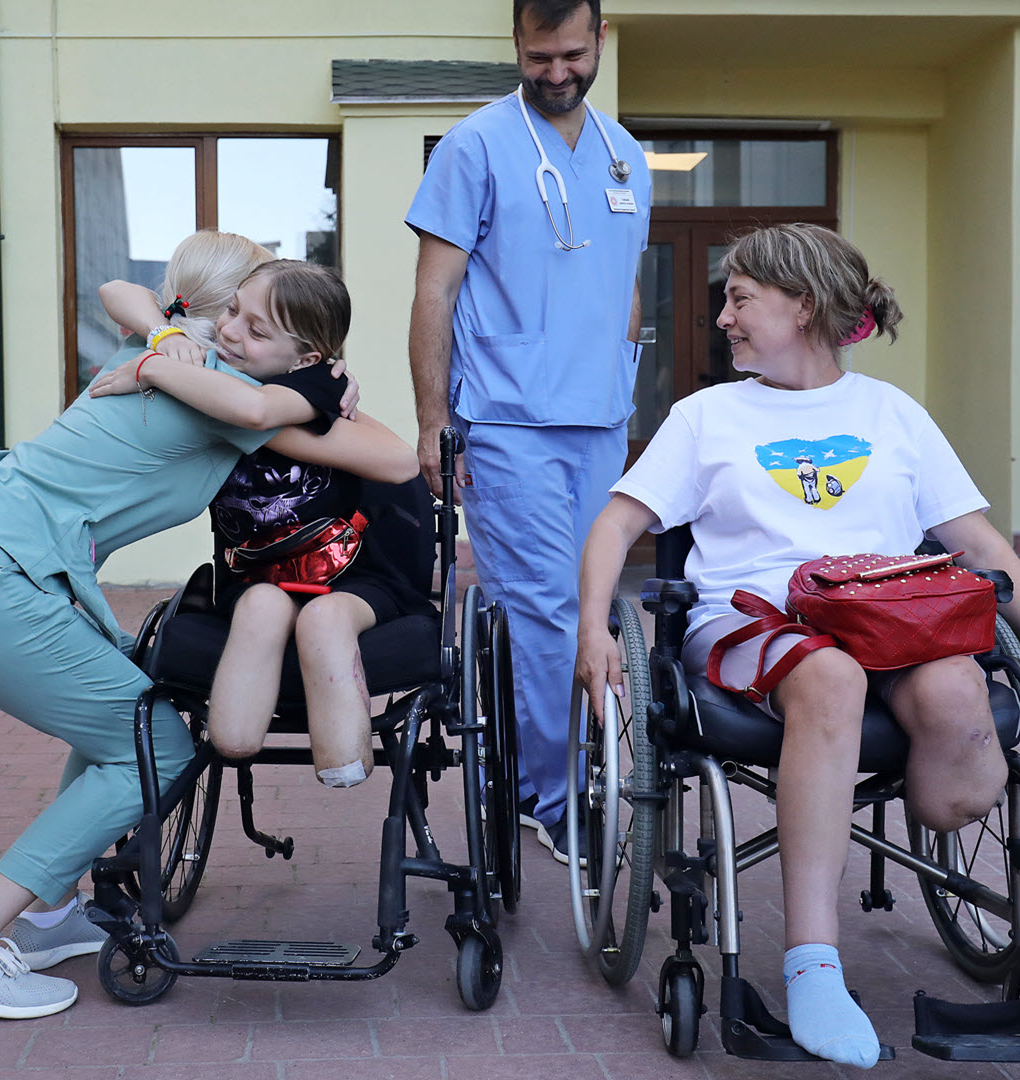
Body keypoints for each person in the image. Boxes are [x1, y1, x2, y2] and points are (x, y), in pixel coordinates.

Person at [574, 223, 1020, 1069]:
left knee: (958, 692)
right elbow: (617, 523)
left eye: (739, 299)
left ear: (801, 305)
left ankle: (938, 831)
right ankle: (813, 967)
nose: (725, 318)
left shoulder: (892, 413)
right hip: (753, 623)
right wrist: (595, 627)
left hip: (891, 617)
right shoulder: (707, 416)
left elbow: (984, 546)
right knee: (831, 677)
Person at [0, 231, 407, 1020]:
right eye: (241, 316)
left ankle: (50, 919)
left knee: (121, 703)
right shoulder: (219, 386)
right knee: (155, 743)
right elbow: (387, 459)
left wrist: (168, 341)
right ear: (220, 314)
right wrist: (323, 381)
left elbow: (123, 291)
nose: (237, 334)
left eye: (260, 326)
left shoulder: (176, 351)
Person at [405, 0, 650, 862]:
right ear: (514, 44)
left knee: (595, 609)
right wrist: (436, 422)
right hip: (507, 422)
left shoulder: (627, 154)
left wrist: (624, 376)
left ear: (601, 41)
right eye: (539, 55)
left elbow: (625, 287)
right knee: (546, 609)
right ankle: (551, 797)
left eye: (573, 54)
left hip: (600, 422)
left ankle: (576, 770)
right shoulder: (476, 145)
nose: (557, 72)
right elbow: (434, 291)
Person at [90, 261, 428, 788]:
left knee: (325, 620)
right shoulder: (209, 356)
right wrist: (164, 334)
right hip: (252, 574)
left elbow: (253, 412)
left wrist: (155, 370)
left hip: (355, 574)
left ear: (307, 357)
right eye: (231, 311)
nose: (229, 330)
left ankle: (344, 761)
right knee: (260, 606)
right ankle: (235, 741)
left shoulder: (315, 385)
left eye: (256, 329)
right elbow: (115, 288)